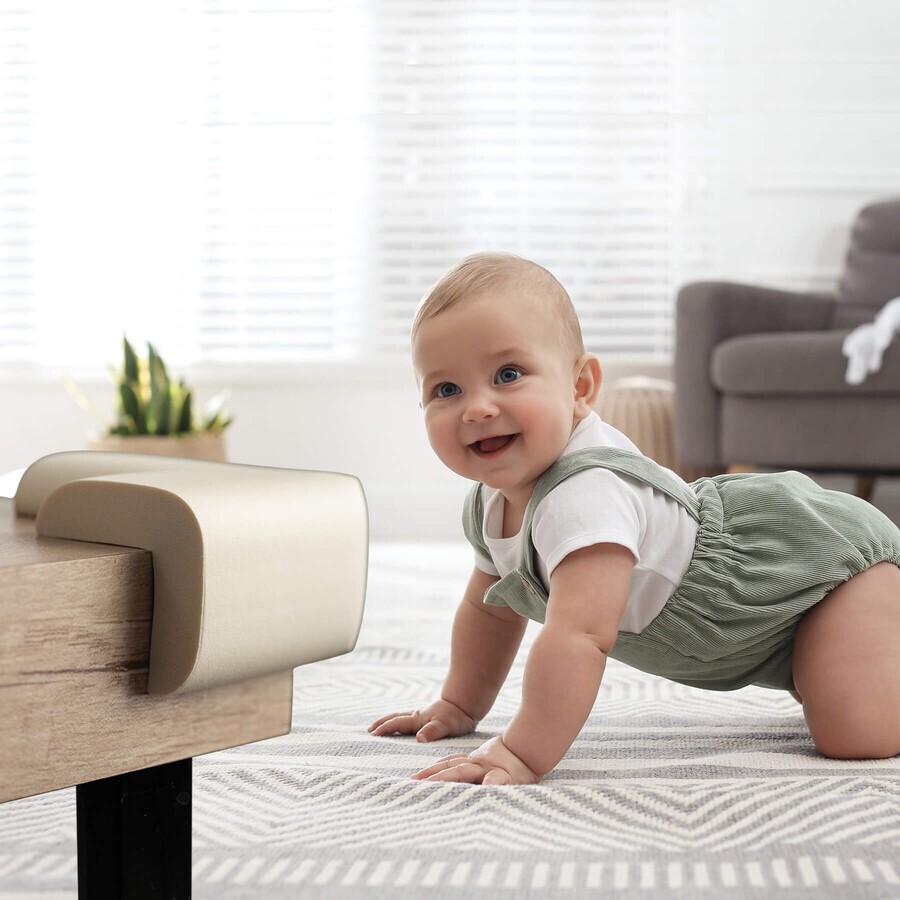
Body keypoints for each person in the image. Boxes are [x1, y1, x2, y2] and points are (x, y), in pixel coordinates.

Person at [368, 251, 900, 784]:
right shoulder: (489, 500)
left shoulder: (586, 492)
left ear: (580, 388)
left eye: (508, 374)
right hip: (764, 633)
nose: (477, 408)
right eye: (446, 389)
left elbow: (578, 638)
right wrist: (459, 705)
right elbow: (489, 613)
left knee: (857, 734)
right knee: (829, 683)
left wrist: (523, 752)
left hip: (821, 572)